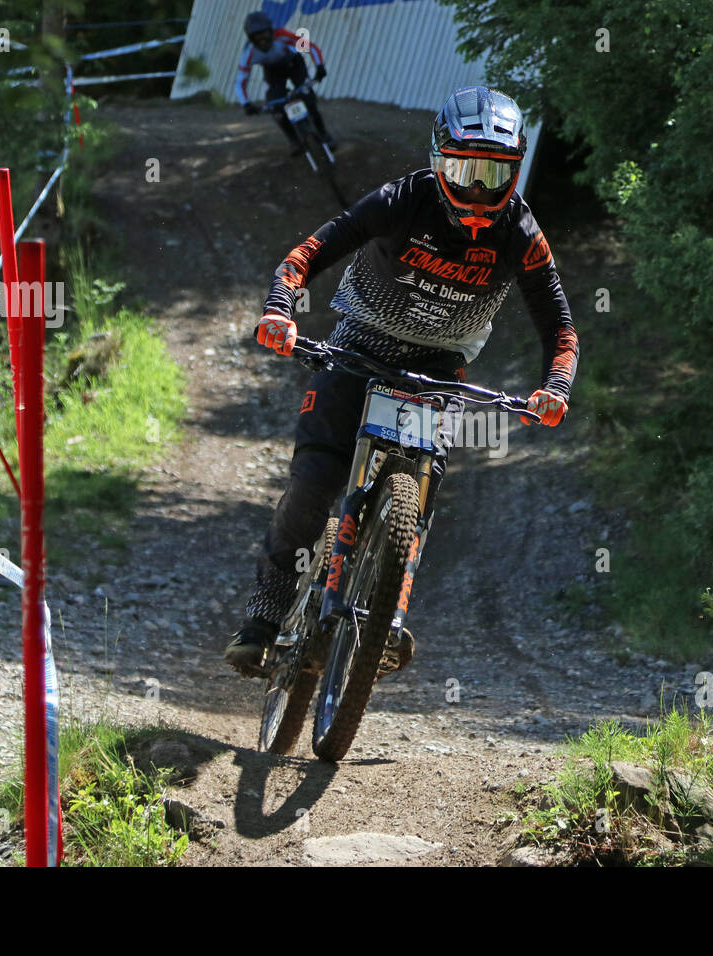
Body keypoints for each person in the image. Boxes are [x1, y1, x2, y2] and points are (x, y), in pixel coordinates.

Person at [225, 85, 579, 676]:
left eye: (494, 176)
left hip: (437, 371)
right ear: (438, 160)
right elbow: (310, 251)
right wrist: (280, 309)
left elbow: (561, 329)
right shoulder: (400, 199)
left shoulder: (520, 231)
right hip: (359, 346)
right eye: (463, 170)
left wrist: (556, 389)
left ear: (515, 173)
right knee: (314, 482)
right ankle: (264, 615)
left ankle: (385, 617)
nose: (476, 190)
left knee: (425, 494)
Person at [236, 10, 336, 152]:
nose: (263, 41)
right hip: (273, 72)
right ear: (251, 39)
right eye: (257, 38)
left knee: (308, 99)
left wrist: (319, 66)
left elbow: (311, 47)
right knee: (276, 110)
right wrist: (246, 104)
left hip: (294, 64)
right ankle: (294, 141)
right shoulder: (248, 53)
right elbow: (241, 82)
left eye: (264, 35)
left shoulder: (282, 35)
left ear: (271, 31)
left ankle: (324, 134)